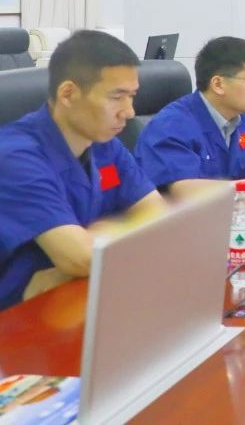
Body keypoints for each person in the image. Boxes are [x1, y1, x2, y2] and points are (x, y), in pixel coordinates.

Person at [0, 31, 166, 309]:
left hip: (80, 293)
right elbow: (83, 259)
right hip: (18, 314)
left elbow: (161, 218)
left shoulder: (104, 143)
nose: (129, 112)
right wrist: (102, 243)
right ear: (68, 94)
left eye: (132, 96)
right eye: (117, 97)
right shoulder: (14, 156)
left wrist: (102, 235)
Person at [136, 37, 245, 198]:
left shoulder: (241, 116)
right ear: (218, 84)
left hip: (234, 211)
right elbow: (186, 190)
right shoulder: (170, 126)